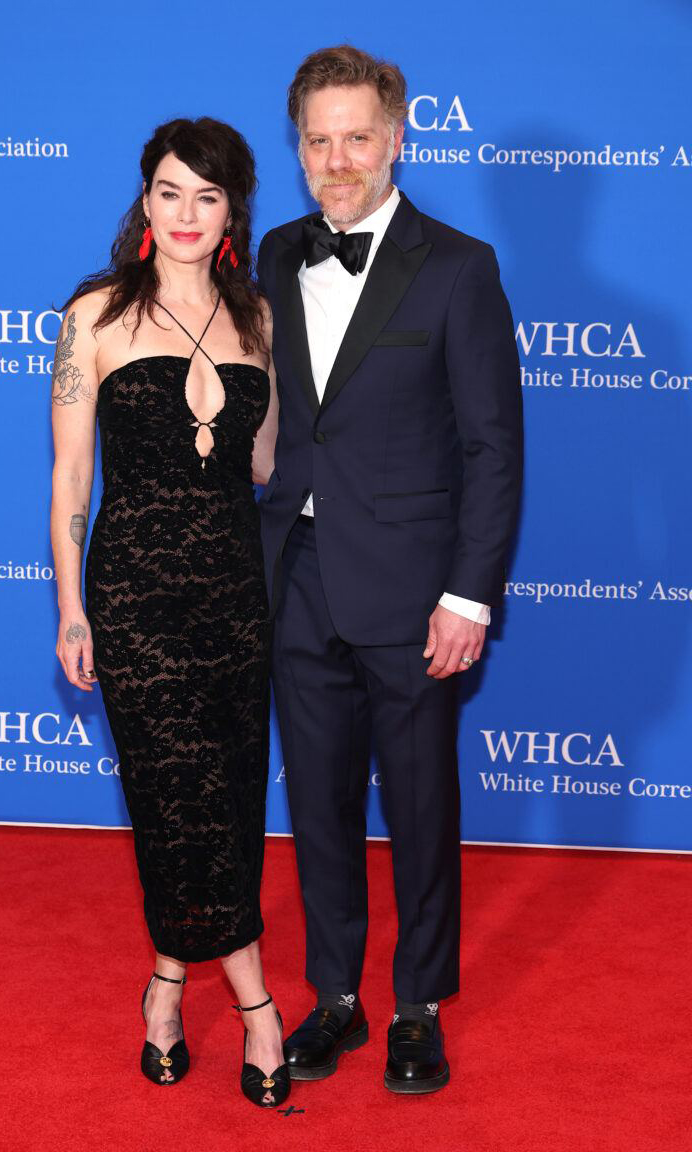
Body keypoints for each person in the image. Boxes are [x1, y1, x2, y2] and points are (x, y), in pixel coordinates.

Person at [256, 46, 523, 1094]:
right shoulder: (275, 254)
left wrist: (468, 594)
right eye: (317, 140)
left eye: (357, 136)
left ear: (398, 136)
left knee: (418, 801)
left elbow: (492, 447)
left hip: (414, 585)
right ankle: (336, 998)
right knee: (317, 802)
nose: (337, 159)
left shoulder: (460, 265)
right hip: (296, 572)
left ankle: (418, 1003)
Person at [49, 117, 288, 1108]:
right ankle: (259, 1008)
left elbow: (263, 464)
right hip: (135, 601)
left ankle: (163, 985)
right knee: (178, 798)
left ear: (231, 212)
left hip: (235, 598)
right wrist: (72, 613)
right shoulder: (96, 316)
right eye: (169, 192)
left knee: (227, 799)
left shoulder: (258, 319)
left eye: (208, 196)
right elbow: (70, 476)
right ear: (144, 201)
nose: (187, 214)